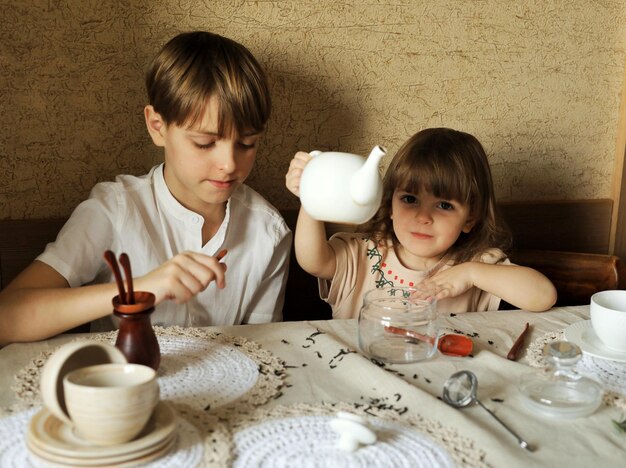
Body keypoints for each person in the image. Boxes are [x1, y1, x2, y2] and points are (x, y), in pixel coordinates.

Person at [0, 31, 292, 345]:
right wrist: (141, 288)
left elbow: (263, 346)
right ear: (157, 127)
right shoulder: (114, 210)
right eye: (205, 143)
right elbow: (6, 319)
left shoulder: (268, 231)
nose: (230, 164)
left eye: (247, 144)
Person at [285, 127, 556, 318]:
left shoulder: (475, 264)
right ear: (389, 203)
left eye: (445, 205)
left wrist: (471, 274)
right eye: (410, 199)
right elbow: (313, 261)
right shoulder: (363, 253)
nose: (424, 217)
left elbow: (544, 296)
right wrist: (309, 196)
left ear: (470, 218)